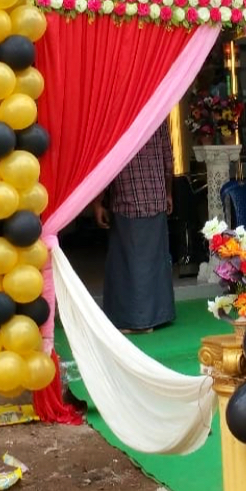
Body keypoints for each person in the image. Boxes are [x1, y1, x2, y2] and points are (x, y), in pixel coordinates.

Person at [93, 122, 175, 334]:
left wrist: (98, 201)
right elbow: (168, 158)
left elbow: (108, 162)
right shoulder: (158, 113)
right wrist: (168, 192)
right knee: (154, 261)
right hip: (155, 197)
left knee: (128, 263)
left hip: (127, 197)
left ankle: (135, 320)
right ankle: (157, 316)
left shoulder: (119, 117)